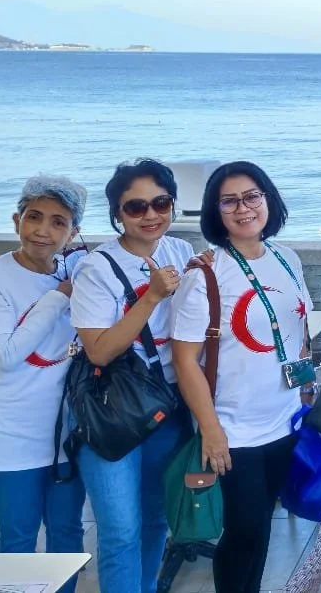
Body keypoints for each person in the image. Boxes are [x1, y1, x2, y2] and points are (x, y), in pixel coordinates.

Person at [172, 161, 311, 593]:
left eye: (252, 196)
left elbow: (296, 331)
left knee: (260, 529)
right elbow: (184, 361)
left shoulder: (287, 259)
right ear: (216, 212)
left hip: (284, 419)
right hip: (234, 432)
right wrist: (211, 431)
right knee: (243, 533)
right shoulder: (206, 274)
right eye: (229, 200)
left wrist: (304, 389)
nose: (243, 207)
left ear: (268, 198)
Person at [71, 158, 196, 593]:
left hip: (168, 405)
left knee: (156, 519)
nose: (150, 215)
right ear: (117, 214)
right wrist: (151, 297)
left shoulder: (179, 252)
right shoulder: (96, 268)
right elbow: (99, 348)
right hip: (114, 411)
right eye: (135, 207)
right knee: (121, 531)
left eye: (160, 203)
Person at [0, 176, 88, 593]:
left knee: (67, 536)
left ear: (73, 232)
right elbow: (6, 355)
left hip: (64, 433)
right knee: (17, 540)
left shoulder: (75, 270)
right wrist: (58, 298)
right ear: (17, 220)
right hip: (6, 434)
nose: (42, 230)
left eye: (58, 222)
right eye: (33, 217)